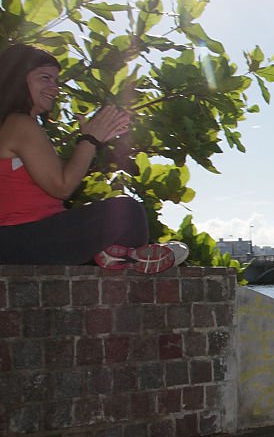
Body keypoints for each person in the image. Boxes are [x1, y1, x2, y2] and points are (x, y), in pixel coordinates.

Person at [0, 44, 182, 272]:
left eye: (56, 81)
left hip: (23, 238)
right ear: (18, 78)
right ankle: (123, 256)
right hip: (20, 240)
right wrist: (90, 140)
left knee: (124, 214)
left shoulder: (14, 124)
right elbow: (62, 186)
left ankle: (116, 255)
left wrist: (92, 140)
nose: (54, 88)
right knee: (127, 212)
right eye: (44, 78)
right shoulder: (19, 123)